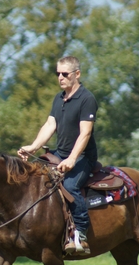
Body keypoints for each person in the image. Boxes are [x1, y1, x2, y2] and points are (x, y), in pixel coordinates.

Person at [18, 56, 98, 254]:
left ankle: (80, 234)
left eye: (65, 74)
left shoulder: (87, 99)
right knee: (34, 179)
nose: (60, 77)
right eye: (58, 74)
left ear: (77, 74)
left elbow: (85, 133)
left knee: (70, 186)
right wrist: (33, 147)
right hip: (59, 154)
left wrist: (72, 159)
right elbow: (50, 125)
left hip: (82, 158)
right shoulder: (59, 98)